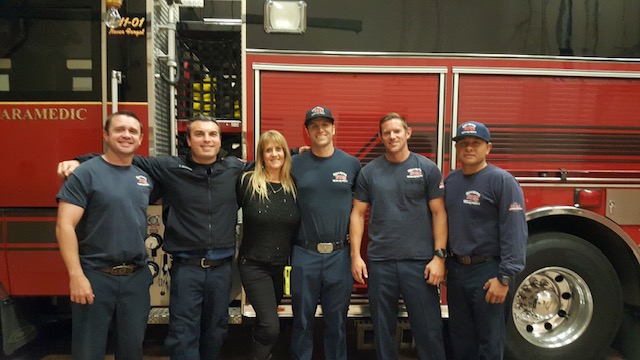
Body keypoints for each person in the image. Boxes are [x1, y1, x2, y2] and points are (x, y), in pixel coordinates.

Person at [58, 114, 249, 360]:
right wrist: (79, 160)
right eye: (199, 134)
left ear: (220, 140)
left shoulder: (234, 168)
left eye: (212, 134)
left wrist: (300, 151)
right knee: (182, 334)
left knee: (215, 332)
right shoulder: (169, 167)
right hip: (186, 269)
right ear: (188, 140)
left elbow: (272, 158)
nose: (206, 139)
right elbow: (119, 157)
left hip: (222, 270)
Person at [55, 110, 154, 360]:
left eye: (133, 131)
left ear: (141, 139)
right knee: (88, 352)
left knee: (132, 351)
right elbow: (64, 226)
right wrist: (76, 276)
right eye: (119, 129)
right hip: (96, 276)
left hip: (136, 278)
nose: (126, 135)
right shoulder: (85, 174)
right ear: (106, 135)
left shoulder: (144, 177)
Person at [350, 112, 448, 360]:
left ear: (408, 133)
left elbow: (439, 214)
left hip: (419, 263)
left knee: (429, 329)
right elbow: (357, 214)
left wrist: (439, 257)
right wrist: (356, 257)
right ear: (381, 137)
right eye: (386, 132)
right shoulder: (369, 172)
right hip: (380, 263)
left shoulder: (427, 169)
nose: (392, 136)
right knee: (383, 331)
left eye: (397, 131)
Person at [444, 120, 528, 360]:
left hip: (488, 272)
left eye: (476, 143)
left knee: (489, 342)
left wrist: (504, 277)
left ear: (488, 148)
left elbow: (514, 230)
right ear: (457, 149)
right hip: (457, 271)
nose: (469, 148)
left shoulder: (502, 181)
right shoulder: (451, 181)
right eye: (463, 143)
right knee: (461, 339)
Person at [289, 106, 361, 360]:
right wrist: (291, 151)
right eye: (314, 126)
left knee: (337, 322)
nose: (320, 130)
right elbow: (264, 163)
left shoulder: (351, 164)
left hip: (339, 255)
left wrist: (355, 253)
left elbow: (361, 210)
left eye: (325, 125)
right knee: (302, 321)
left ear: (333, 128)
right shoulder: (294, 164)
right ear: (307, 132)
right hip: (303, 253)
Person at [237, 130, 300, 360]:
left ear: (285, 153)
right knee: (270, 326)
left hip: (279, 268)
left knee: (267, 323)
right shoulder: (247, 182)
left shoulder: (293, 185)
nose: (274, 154)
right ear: (261, 155)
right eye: (268, 150)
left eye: (279, 149)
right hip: (253, 265)